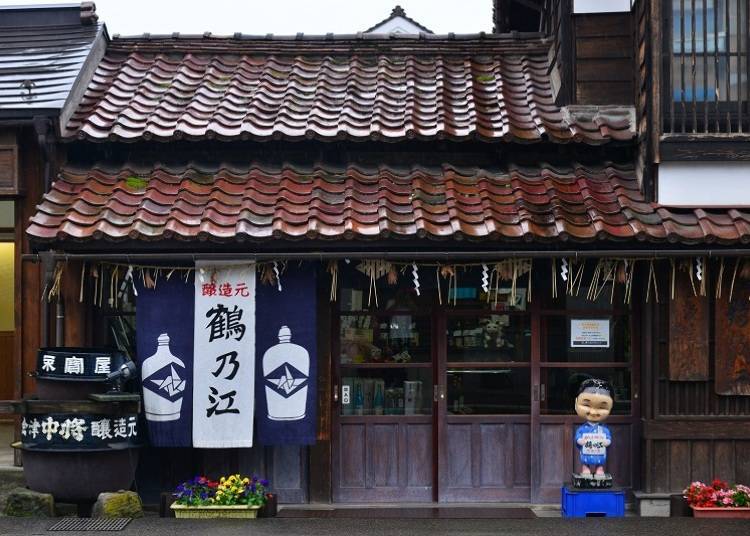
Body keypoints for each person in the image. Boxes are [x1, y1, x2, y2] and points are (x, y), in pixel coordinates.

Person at [574, 378, 614, 478]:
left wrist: (607, 441)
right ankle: (585, 468)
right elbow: (578, 437)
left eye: (601, 407)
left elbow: (608, 438)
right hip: (587, 451)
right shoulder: (582, 429)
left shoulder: (603, 429)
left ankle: (599, 468)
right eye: (586, 405)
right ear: (576, 403)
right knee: (585, 459)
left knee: (600, 460)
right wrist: (580, 440)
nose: (593, 412)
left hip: (598, 451)